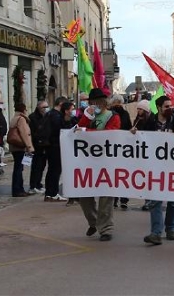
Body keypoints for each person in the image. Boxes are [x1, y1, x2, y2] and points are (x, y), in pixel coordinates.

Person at [137, 95, 174, 245]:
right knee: (155, 199)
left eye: (171, 106)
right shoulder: (149, 122)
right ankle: (156, 233)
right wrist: (133, 134)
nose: (170, 109)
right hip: (154, 167)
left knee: (172, 201)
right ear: (158, 108)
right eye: (166, 106)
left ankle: (170, 228)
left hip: (173, 166)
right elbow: (140, 139)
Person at [77, 88, 121, 241]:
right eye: (92, 102)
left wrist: (86, 131)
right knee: (84, 195)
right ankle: (94, 221)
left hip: (107, 161)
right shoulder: (89, 115)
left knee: (106, 196)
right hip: (88, 161)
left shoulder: (113, 117)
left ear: (103, 102)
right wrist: (87, 117)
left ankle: (106, 228)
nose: (94, 104)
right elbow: (78, 131)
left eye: (97, 102)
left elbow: (109, 135)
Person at [44, 96, 69, 202]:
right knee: (55, 170)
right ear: (61, 104)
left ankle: (49, 193)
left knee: (51, 170)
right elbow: (59, 130)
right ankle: (53, 193)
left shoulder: (49, 114)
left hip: (50, 145)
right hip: (55, 145)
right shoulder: (57, 116)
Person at [8, 103, 34, 197]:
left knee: (18, 168)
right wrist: (29, 146)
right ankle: (18, 190)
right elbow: (24, 133)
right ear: (24, 110)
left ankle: (18, 189)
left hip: (14, 146)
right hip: (20, 146)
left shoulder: (14, 118)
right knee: (19, 169)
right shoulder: (21, 119)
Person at [28, 101, 49, 194]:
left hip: (45, 145)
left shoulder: (47, 116)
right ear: (39, 108)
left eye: (46, 107)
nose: (45, 109)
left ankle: (38, 183)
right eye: (43, 107)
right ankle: (33, 185)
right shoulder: (33, 117)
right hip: (36, 145)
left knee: (42, 165)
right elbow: (33, 131)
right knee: (36, 166)